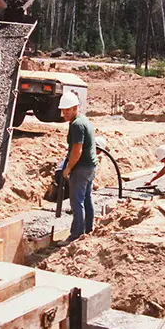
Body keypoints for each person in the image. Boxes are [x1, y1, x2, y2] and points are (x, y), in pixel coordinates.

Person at [57, 92, 98, 246]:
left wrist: (68, 168)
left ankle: (75, 236)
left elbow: (77, 150)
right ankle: (88, 230)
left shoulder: (77, 125)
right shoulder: (83, 120)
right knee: (86, 198)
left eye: (68, 110)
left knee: (76, 202)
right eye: (63, 110)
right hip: (90, 166)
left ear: (75, 108)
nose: (64, 113)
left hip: (81, 168)